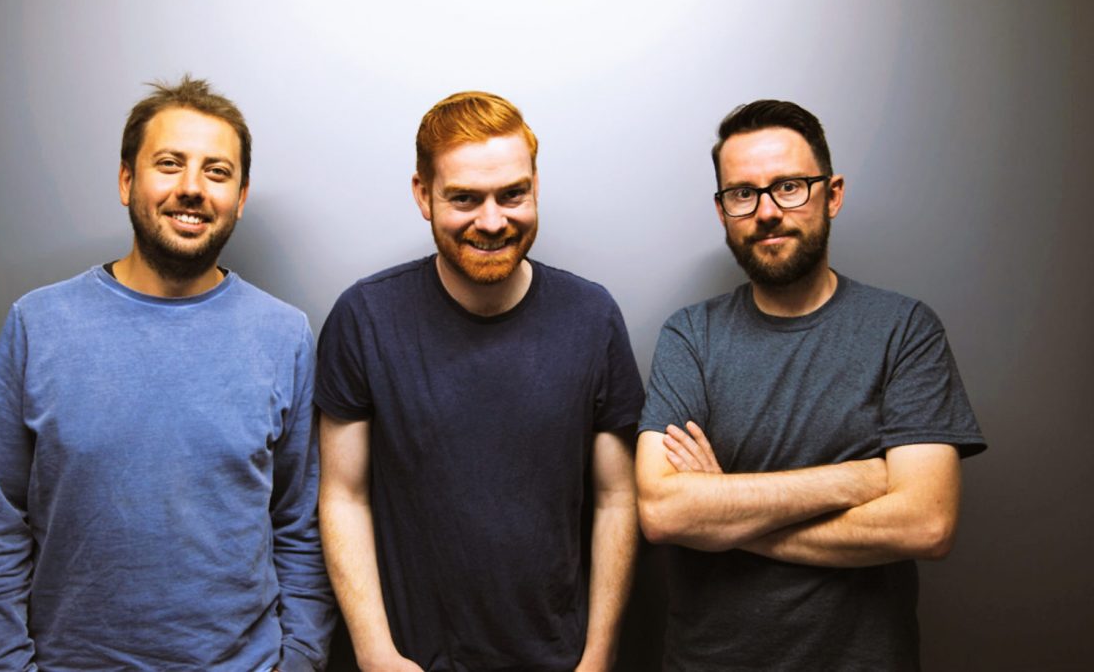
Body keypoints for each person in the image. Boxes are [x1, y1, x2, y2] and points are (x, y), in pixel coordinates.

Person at [0, 76, 334, 671]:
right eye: (169, 164)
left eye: (216, 171)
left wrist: (300, 661)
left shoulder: (285, 335)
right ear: (127, 180)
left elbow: (299, 529)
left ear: (240, 194)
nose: (191, 188)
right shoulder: (39, 324)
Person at [636, 99, 986, 671]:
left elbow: (926, 522)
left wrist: (726, 520)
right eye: (742, 194)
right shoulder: (690, 337)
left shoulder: (903, 330)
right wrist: (857, 479)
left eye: (790, 186)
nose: (767, 211)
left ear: (833, 193)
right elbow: (663, 513)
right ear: (723, 210)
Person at [316, 91, 645, 671]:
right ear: (424, 196)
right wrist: (374, 654)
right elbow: (344, 495)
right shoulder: (365, 318)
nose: (491, 222)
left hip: (559, 659)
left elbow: (618, 499)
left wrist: (598, 657)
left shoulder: (592, 317)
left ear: (535, 187)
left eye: (512, 194)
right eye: (464, 198)